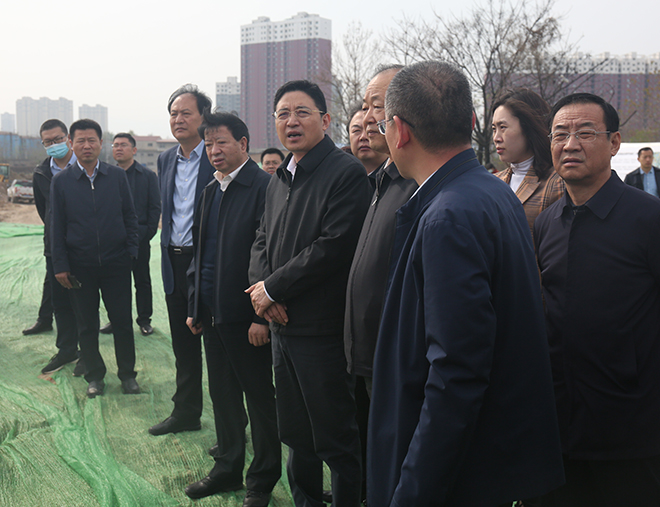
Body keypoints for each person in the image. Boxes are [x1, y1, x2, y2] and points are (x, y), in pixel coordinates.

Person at [368, 61, 564, 507]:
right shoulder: (489, 191)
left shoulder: (448, 215)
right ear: (473, 121)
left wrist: (412, 491)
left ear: (399, 131)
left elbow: (456, 372)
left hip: (459, 472)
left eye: (382, 125)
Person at [247, 79, 371, 507]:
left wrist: (273, 288)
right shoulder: (280, 176)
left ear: (325, 119)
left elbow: (334, 246)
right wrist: (264, 293)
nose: (292, 122)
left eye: (302, 112)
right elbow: (261, 239)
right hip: (282, 327)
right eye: (283, 114)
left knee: (335, 437)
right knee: (296, 434)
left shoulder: (345, 172)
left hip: (321, 331)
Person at [533, 93, 660, 506]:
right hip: (558, 430)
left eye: (585, 133)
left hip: (632, 432)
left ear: (614, 142)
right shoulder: (547, 222)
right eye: (560, 134)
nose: (570, 144)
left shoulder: (648, 218)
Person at [183, 112, 280, 506]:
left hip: (247, 319)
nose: (214, 151)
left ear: (243, 143)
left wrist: (260, 318)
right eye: (208, 144)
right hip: (213, 315)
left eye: (221, 142)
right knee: (222, 396)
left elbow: (270, 255)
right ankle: (227, 468)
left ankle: (262, 480)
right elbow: (200, 254)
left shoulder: (264, 187)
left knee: (259, 400)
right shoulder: (211, 189)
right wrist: (196, 305)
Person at [344, 64, 417, 503]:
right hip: (365, 354)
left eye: (379, 105)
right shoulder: (382, 181)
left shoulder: (420, 185)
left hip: (395, 361)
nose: (370, 118)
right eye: (367, 105)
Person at [50, 119, 139, 398]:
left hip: (116, 263)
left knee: (122, 322)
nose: (86, 146)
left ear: (101, 143)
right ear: (71, 144)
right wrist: (61, 265)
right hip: (80, 266)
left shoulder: (116, 176)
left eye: (92, 140)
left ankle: (127, 375)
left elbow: (130, 217)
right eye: (80, 141)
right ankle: (95, 376)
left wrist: (131, 252)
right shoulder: (61, 181)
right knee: (87, 325)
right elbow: (56, 227)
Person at [149, 85, 215, 436]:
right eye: (173, 114)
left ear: (204, 117)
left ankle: (233, 426)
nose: (178, 119)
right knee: (183, 346)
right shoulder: (165, 160)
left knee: (218, 348)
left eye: (186, 113)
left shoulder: (217, 155)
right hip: (174, 263)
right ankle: (186, 413)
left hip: (208, 263)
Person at [32, 119, 83, 375]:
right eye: (48, 142)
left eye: (58, 139)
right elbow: (45, 211)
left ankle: (87, 352)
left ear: (68, 139)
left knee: (83, 302)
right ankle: (66, 350)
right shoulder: (41, 173)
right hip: (55, 247)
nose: (54, 145)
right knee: (61, 302)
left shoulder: (85, 165)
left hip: (83, 246)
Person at [99, 133, 161, 336]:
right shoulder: (106, 175)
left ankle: (144, 320)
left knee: (142, 281)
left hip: (140, 238)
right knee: (116, 283)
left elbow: (155, 207)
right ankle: (116, 320)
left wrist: (146, 233)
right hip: (114, 240)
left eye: (123, 145)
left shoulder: (147, 176)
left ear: (134, 150)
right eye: (115, 145)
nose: (118, 148)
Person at [491, 88, 564, 234]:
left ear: (529, 127)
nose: (496, 138)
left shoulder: (558, 184)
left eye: (503, 127)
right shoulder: (493, 182)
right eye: (494, 129)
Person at [347, 104, 386, 175]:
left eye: (372, 131)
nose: (363, 137)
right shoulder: (341, 175)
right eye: (356, 130)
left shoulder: (404, 176)